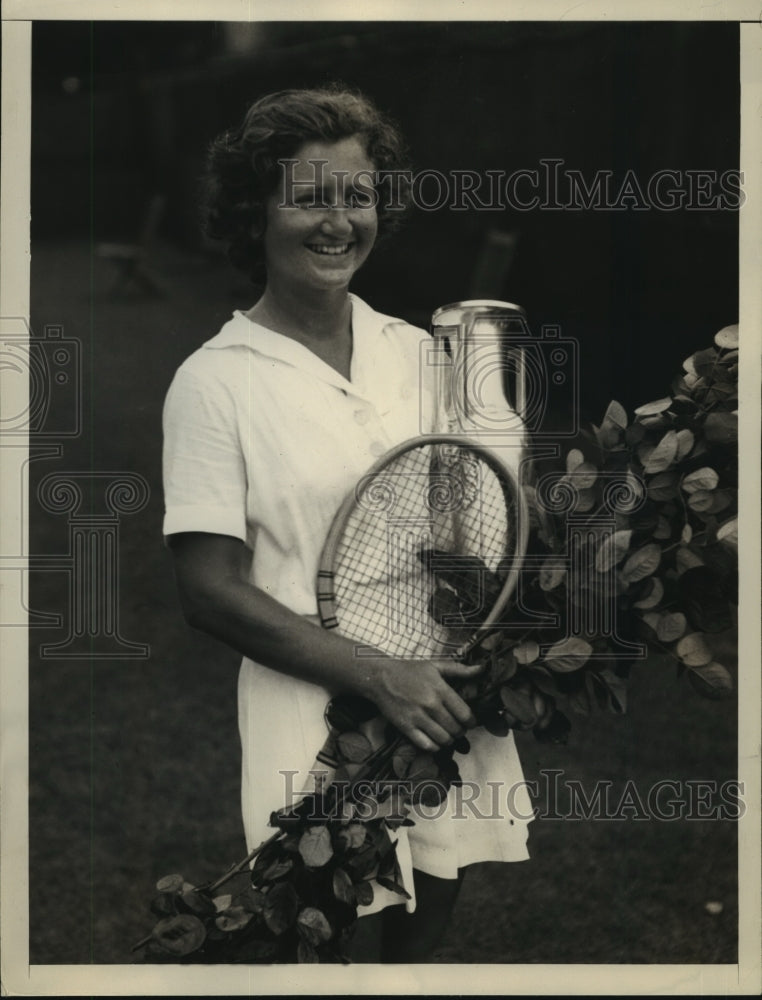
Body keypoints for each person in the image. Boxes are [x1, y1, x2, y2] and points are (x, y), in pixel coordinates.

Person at [162, 86, 533, 963]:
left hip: (441, 688)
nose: (338, 223)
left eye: (358, 197)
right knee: (321, 940)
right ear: (256, 210)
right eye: (309, 198)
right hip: (311, 702)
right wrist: (378, 674)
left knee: (429, 905)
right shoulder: (214, 382)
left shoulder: (421, 353)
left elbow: (485, 517)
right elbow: (208, 591)